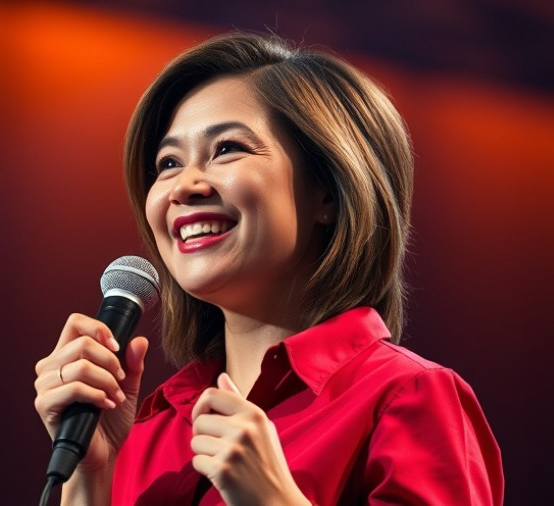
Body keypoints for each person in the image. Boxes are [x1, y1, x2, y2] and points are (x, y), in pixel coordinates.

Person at [34, 32, 503, 505]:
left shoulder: (406, 396)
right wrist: (90, 475)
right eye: (169, 162)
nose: (184, 186)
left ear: (328, 192)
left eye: (227, 149)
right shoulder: (146, 428)